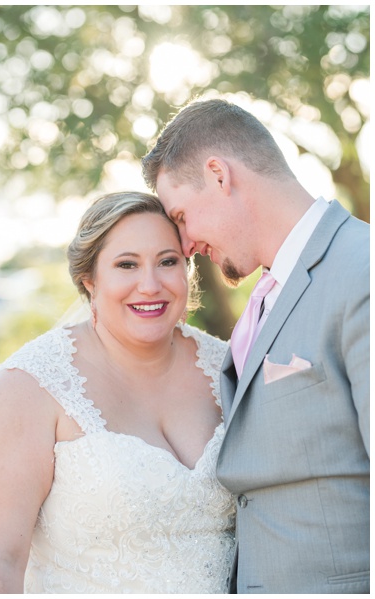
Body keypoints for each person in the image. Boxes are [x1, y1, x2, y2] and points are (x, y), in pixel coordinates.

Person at [141, 98, 370, 594]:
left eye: (181, 215)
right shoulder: (268, 295)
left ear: (219, 175)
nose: (184, 246)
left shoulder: (362, 271)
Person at [0, 191, 236, 593]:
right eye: (126, 264)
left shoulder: (229, 368)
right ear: (90, 281)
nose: (149, 285)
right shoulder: (27, 387)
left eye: (168, 262)